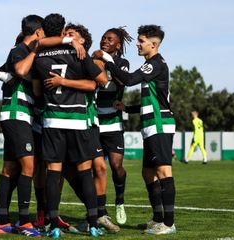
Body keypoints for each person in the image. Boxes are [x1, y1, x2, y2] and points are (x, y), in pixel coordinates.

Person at [96, 25, 177, 235]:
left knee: (163, 172)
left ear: (153, 44)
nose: (138, 45)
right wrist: (128, 108)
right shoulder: (151, 64)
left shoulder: (155, 63)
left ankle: (168, 223)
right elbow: (152, 99)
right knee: (148, 173)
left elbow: (129, 79)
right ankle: (157, 218)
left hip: (159, 125)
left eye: (141, 41)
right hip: (151, 126)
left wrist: (107, 59)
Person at [33, 13, 106, 238]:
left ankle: (53, 226)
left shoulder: (39, 55)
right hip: (77, 121)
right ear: (63, 29)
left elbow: (36, 92)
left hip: (53, 120)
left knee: (53, 174)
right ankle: (94, 224)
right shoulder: (78, 52)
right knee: (85, 172)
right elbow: (100, 81)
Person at [44, 23, 120, 233]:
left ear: (82, 40)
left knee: (98, 167)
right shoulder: (61, 55)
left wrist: (63, 81)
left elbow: (98, 81)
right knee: (62, 173)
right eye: (65, 34)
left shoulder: (87, 58)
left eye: (71, 34)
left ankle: (98, 214)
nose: (67, 37)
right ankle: (64, 216)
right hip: (67, 122)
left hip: (86, 122)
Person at [0, 14, 44, 237]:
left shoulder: (24, 53)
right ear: (38, 32)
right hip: (16, 114)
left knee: (10, 168)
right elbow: (18, 71)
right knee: (28, 168)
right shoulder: (21, 50)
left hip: (22, 116)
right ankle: (24, 221)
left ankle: (1, 219)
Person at [93, 27, 133, 225]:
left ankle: (120, 200)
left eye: (109, 39)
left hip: (113, 123)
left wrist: (107, 60)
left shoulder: (121, 63)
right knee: (98, 168)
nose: (104, 41)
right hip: (94, 123)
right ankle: (101, 210)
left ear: (118, 45)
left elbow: (121, 81)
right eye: (103, 38)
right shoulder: (94, 59)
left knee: (116, 166)